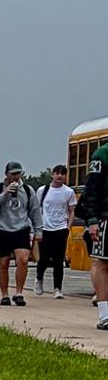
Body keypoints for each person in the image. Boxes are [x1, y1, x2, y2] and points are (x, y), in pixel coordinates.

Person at [0, 161, 41, 307]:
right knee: (3, 263)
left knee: (23, 260)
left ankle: (19, 293)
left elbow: (35, 211)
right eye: (13, 174)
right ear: (6, 174)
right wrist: (5, 193)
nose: (15, 177)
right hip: (1, 229)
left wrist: (38, 230)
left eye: (18, 173)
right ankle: (4, 295)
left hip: (21, 228)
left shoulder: (28, 190)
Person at [78, 137, 108, 332]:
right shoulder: (102, 154)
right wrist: (92, 221)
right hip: (106, 216)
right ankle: (105, 314)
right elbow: (91, 190)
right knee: (101, 262)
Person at [33, 165, 75, 298]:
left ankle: (57, 288)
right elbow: (36, 209)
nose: (60, 176)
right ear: (52, 175)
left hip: (61, 229)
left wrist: (68, 227)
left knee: (58, 260)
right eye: (57, 173)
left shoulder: (69, 192)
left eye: (63, 174)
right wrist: (37, 228)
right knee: (44, 259)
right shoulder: (43, 190)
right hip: (45, 228)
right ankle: (39, 278)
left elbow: (72, 211)